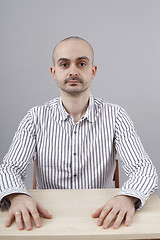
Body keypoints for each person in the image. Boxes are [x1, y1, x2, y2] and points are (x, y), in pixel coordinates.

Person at [0, 36, 158, 231]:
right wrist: (17, 196)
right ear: (54, 73)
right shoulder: (35, 117)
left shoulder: (116, 116)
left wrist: (127, 197)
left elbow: (144, 169)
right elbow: (9, 168)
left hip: (102, 220)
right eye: (64, 64)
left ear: (93, 71)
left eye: (81, 63)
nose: (73, 71)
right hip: (47, 221)